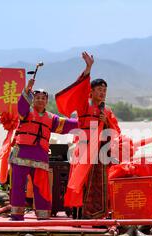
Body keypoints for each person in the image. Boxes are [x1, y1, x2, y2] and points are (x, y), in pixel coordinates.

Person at [55, 52, 121, 219]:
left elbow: (116, 132)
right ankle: (78, 215)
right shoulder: (83, 105)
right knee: (82, 182)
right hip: (84, 149)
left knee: (99, 184)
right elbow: (80, 87)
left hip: (101, 152)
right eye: (99, 89)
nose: (103, 93)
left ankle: (98, 216)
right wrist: (88, 68)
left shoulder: (107, 111)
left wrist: (106, 121)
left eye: (105, 90)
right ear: (91, 91)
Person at [9, 79, 78, 221]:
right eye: (37, 98)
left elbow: (67, 125)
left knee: (42, 188)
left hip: (40, 156)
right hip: (21, 153)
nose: (40, 100)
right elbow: (21, 105)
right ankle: (17, 215)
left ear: (47, 101)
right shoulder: (25, 113)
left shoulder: (51, 118)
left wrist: (84, 121)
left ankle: (43, 215)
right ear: (33, 100)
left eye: (43, 98)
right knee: (18, 186)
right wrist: (27, 90)